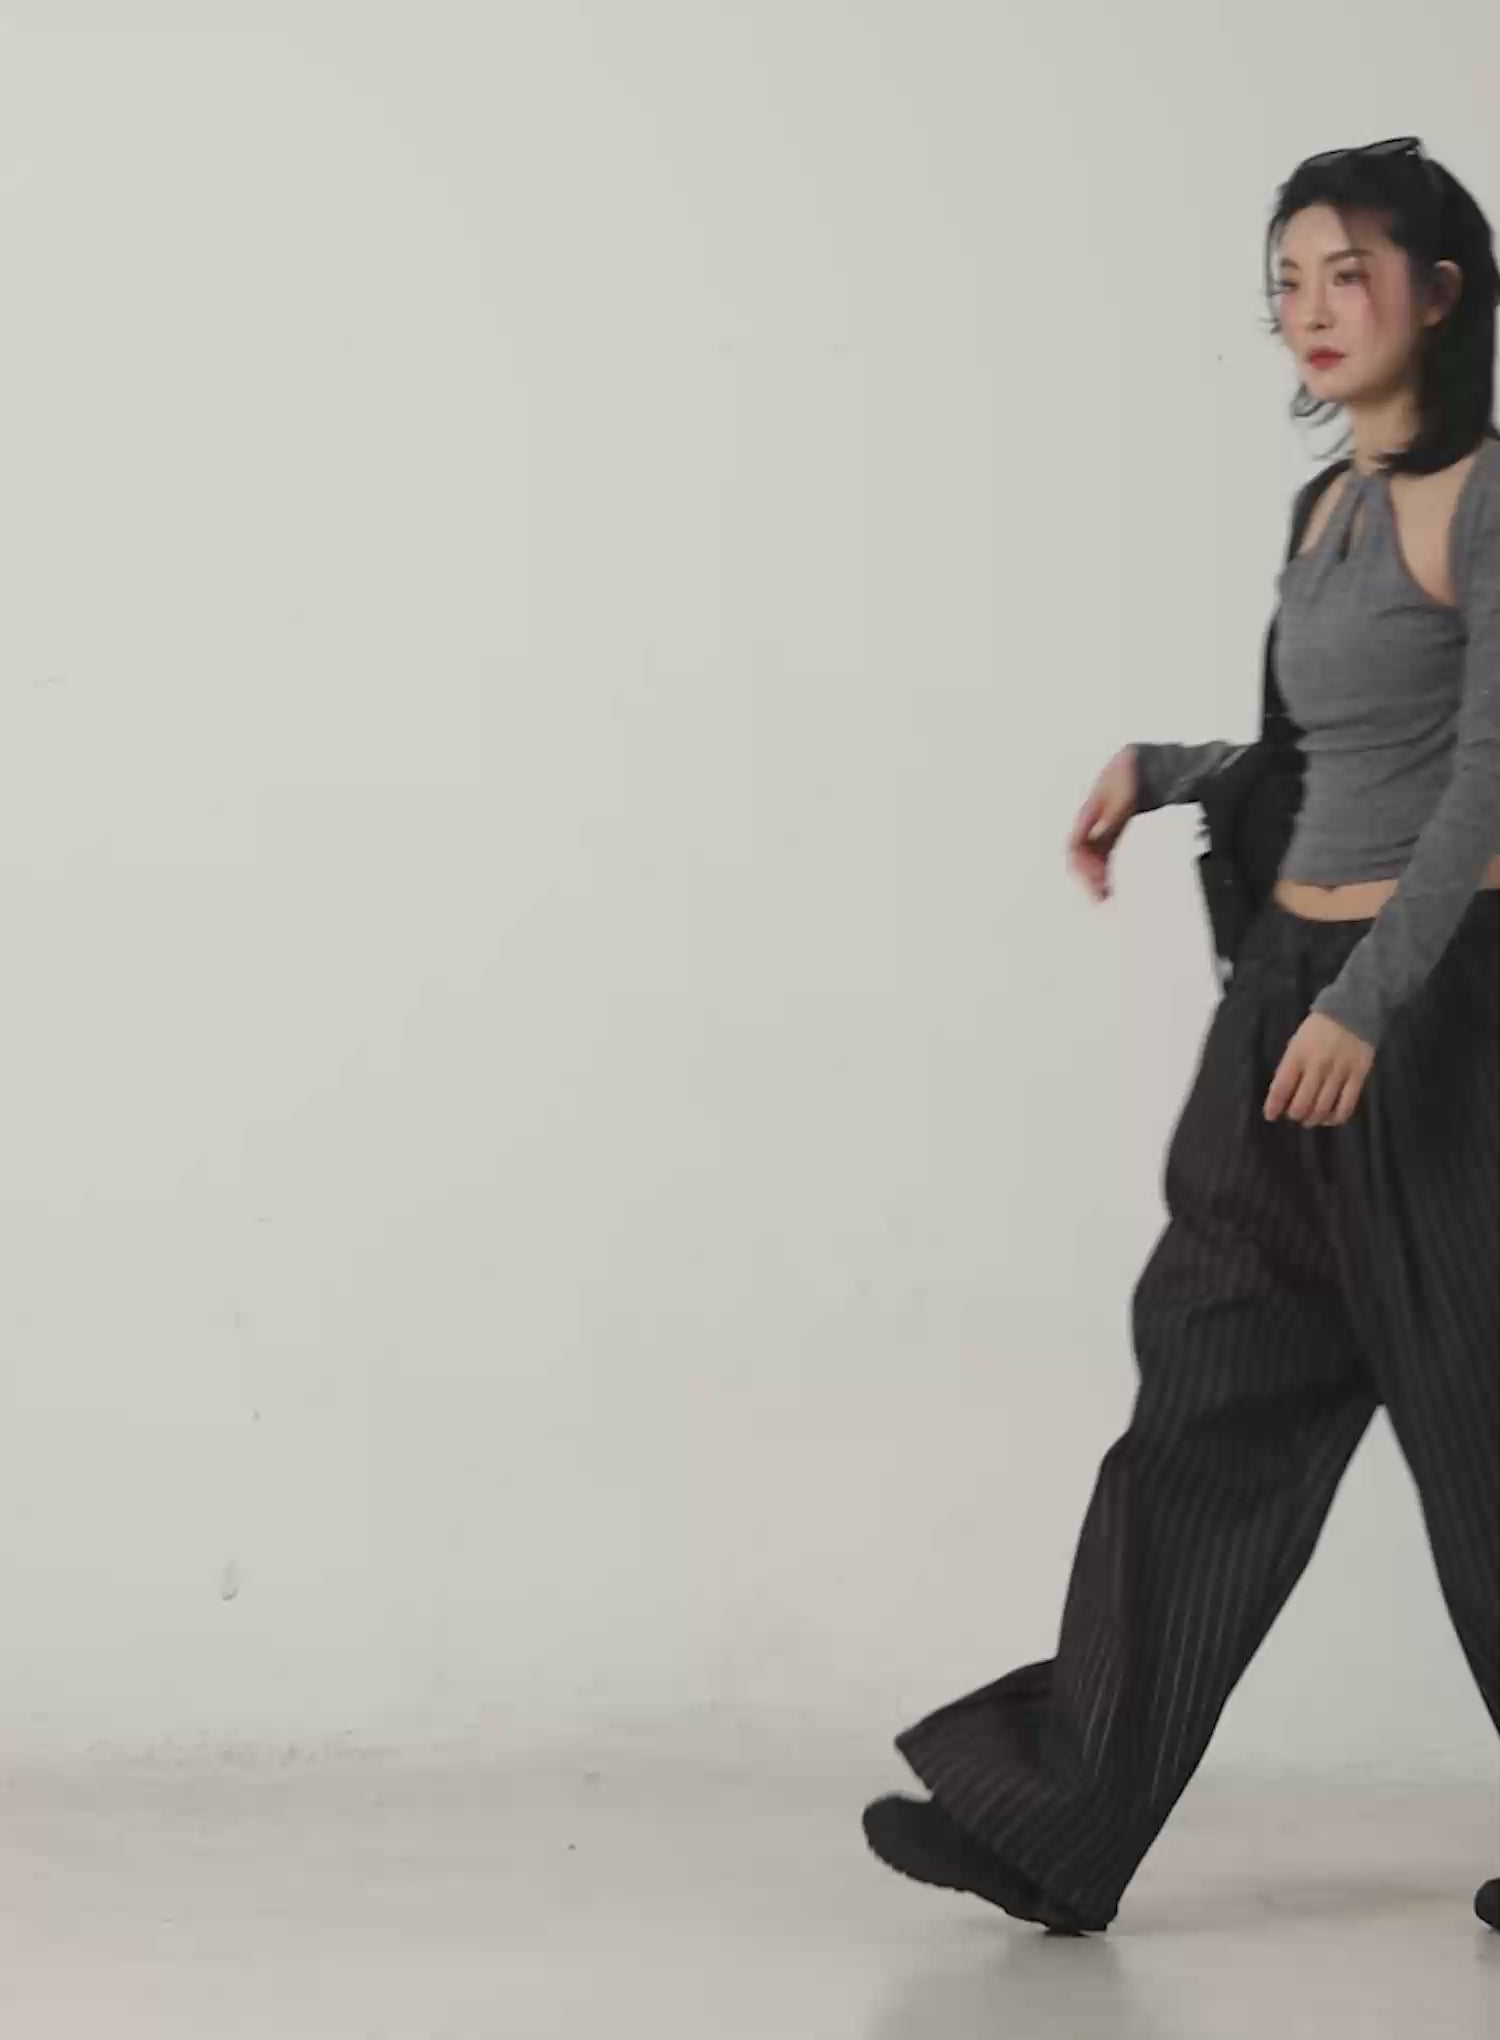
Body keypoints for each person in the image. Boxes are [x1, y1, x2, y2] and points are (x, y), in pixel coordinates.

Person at [863, 137, 1500, 1938]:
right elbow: (1328, 761)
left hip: (1434, 1027)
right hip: (1285, 1018)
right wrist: (1169, 769)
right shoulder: (1330, 508)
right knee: (1207, 1399)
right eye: (1285, 279)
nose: (1310, 309)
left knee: (1483, 1434)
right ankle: (1058, 1817)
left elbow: (1486, 785)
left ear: (1441, 291)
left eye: (1347, 272)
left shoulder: (1485, 497)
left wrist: (1374, 1004)